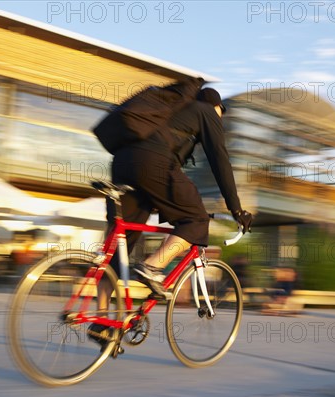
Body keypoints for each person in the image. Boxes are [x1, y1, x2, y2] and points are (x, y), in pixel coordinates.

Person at [107, 87, 253, 297]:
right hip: (152, 161)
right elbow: (220, 160)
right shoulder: (206, 111)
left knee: (118, 247)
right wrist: (236, 209)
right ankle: (151, 267)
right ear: (216, 107)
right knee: (196, 219)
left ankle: (102, 323)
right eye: (221, 111)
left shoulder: (173, 110)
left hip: (122, 162)